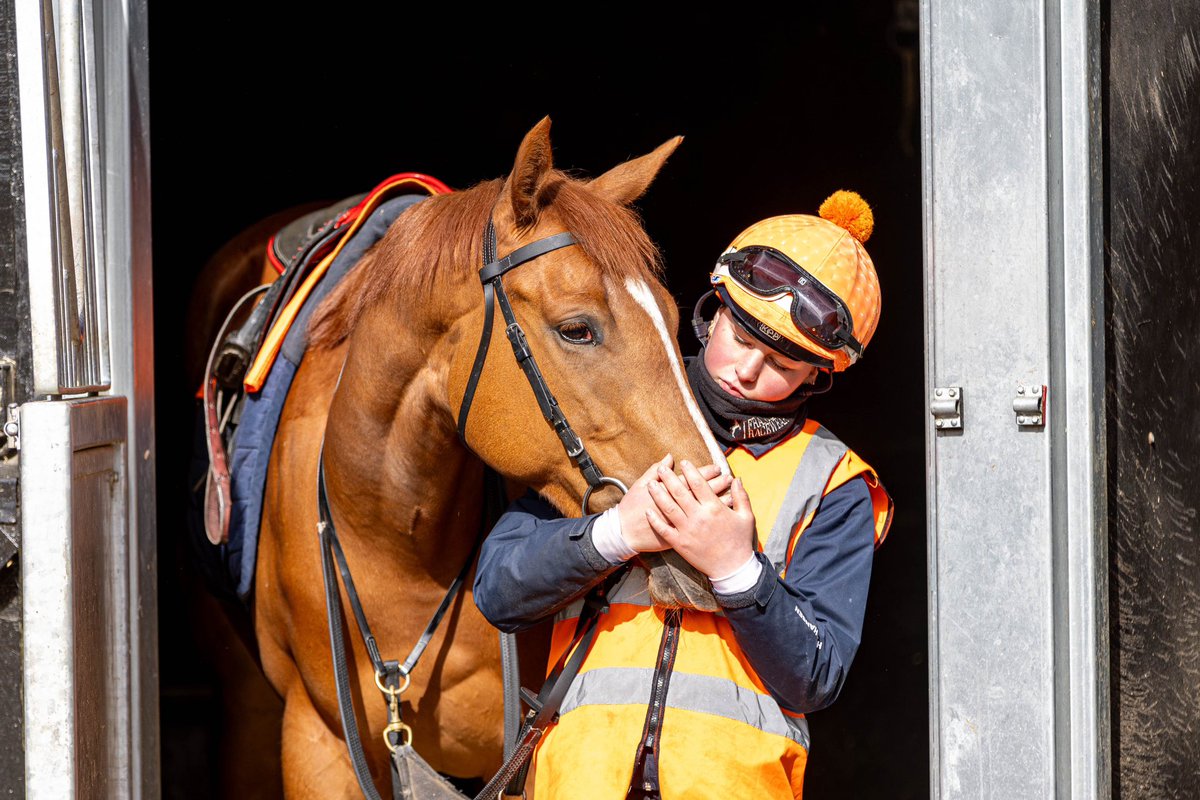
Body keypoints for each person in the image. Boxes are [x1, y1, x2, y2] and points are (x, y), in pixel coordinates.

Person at [474, 190, 893, 799]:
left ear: (816, 375)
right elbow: (498, 591)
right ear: (713, 312)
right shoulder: (614, 414)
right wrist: (617, 532)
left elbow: (815, 678)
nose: (747, 370)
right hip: (580, 780)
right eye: (742, 338)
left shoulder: (834, 481)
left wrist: (736, 568)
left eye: (781, 364)